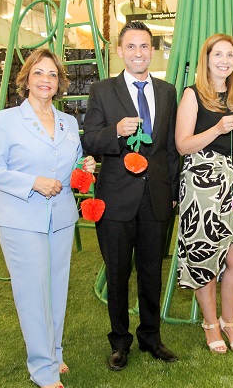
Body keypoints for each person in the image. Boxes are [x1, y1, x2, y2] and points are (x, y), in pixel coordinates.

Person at [0, 48, 95, 388]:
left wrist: (83, 167)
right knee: (33, 293)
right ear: (26, 79)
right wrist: (32, 183)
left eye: (52, 75)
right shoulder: (6, 120)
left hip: (60, 217)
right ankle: (42, 370)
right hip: (20, 218)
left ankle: (54, 353)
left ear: (59, 82)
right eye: (39, 73)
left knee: (56, 290)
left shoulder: (68, 121)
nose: (46, 80)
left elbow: (72, 166)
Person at [81, 21, 180, 371]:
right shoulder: (102, 90)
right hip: (115, 198)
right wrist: (115, 131)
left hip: (156, 197)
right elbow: (89, 139)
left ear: (152, 51)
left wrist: (172, 191)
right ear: (120, 51)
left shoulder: (168, 92)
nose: (138, 53)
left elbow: (171, 148)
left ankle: (151, 337)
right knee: (119, 272)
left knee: (151, 271)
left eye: (144, 47)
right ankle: (120, 341)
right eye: (131, 47)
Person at [175, 34, 233, 354]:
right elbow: (183, 144)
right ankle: (210, 326)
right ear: (206, 59)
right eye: (217, 54)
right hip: (201, 184)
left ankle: (229, 322)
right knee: (204, 256)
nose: (224, 60)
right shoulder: (193, 95)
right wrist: (216, 130)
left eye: (230, 55)